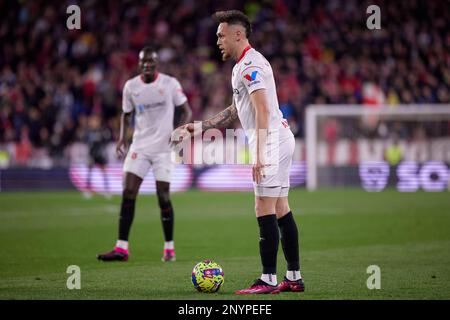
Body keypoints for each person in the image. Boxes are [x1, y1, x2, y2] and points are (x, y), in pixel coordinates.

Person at [172, 10, 304, 294]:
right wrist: (199, 127)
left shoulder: (251, 65)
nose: (217, 40)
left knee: (263, 207)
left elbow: (263, 109)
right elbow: (236, 110)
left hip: (271, 141)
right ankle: (293, 277)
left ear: (237, 34)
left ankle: (268, 280)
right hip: (278, 137)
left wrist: (258, 155)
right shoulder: (241, 66)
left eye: (221, 35)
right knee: (281, 207)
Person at [97, 46, 192, 262]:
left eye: (151, 62)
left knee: (163, 196)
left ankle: (169, 248)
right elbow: (125, 114)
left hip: (163, 149)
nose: (148, 65)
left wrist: (179, 130)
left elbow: (186, 110)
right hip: (139, 147)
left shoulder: (169, 84)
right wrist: (122, 137)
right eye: (144, 62)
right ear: (139, 64)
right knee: (128, 192)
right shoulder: (131, 87)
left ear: (156, 64)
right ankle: (121, 248)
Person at [83, 114, 111, 199]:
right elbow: (86, 141)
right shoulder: (88, 132)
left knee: (104, 172)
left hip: (100, 154)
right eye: (93, 121)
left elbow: (107, 139)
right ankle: (88, 190)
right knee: (90, 171)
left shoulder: (102, 131)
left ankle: (106, 190)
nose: (94, 123)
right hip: (92, 154)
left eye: (95, 121)